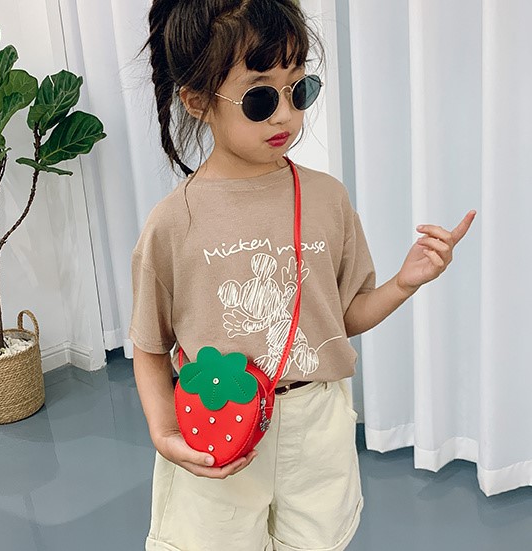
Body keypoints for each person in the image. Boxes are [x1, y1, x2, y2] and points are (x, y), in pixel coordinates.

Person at [128, 1, 476, 550]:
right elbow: (150, 345)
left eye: (299, 89)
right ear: (197, 102)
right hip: (218, 422)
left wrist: (403, 283)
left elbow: (342, 317)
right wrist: (164, 432)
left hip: (317, 424)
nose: (285, 115)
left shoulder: (326, 198)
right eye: (261, 97)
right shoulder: (173, 223)